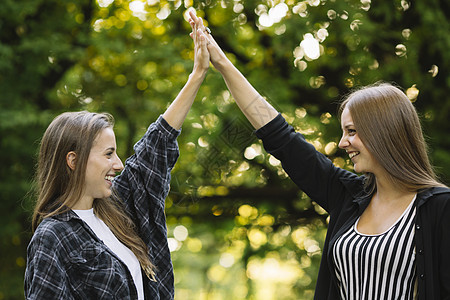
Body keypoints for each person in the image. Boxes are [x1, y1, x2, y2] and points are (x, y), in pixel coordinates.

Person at [188, 10, 450, 300]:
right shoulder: (348, 197)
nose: (342, 143)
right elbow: (280, 137)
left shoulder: (439, 208)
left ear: (382, 131)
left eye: (351, 132)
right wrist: (221, 62)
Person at [24, 20, 210, 299]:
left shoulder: (117, 208)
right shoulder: (53, 237)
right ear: (73, 161)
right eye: (108, 154)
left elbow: (155, 146)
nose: (119, 164)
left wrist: (197, 75)